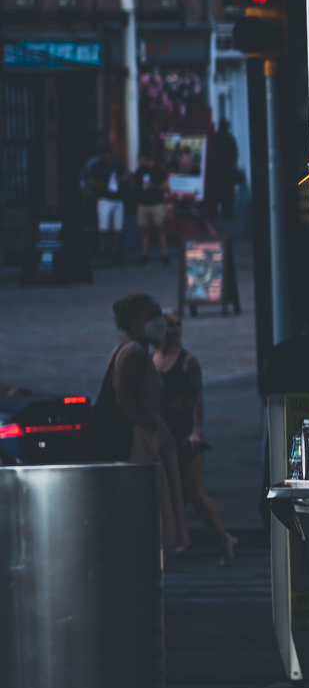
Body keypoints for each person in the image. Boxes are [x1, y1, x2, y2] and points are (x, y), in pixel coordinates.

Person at [84, 293, 191, 560]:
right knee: (150, 507)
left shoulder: (128, 349)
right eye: (152, 317)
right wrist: (153, 428)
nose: (160, 323)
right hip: (142, 442)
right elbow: (125, 399)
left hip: (145, 437)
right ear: (135, 323)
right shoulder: (134, 353)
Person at [154, 310, 239, 566]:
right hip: (164, 435)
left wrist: (196, 431)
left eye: (178, 325)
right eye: (170, 325)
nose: (175, 329)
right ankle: (168, 547)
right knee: (166, 495)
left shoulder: (188, 361)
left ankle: (223, 540)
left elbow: (197, 398)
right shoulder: (152, 361)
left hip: (185, 436)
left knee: (195, 493)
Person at [82, 146, 124, 260]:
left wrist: (121, 180)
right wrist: (102, 184)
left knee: (117, 226)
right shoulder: (97, 166)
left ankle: (114, 248)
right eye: (106, 154)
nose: (108, 156)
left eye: (109, 154)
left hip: (117, 198)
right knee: (103, 225)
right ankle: (102, 248)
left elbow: (125, 176)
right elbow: (91, 181)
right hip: (104, 198)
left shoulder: (116, 164)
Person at [132, 151, 170, 266]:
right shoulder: (139, 171)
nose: (141, 160)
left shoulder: (158, 171)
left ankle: (164, 255)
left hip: (156, 204)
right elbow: (134, 185)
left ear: (149, 159)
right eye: (140, 158)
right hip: (142, 204)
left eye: (143, 158)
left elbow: (166, 187)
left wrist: (154, 186)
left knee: (160, 230)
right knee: (144, 231)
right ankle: (144, 255)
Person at [207, 120, 239, 220]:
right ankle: (227, 213)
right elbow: (234, 154)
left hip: (216, 170)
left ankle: (214, 213)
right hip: (227, 170)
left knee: (215, 194)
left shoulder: (215, 138)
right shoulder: (230, 139)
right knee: (227, 194)